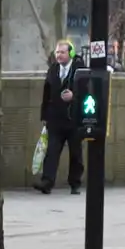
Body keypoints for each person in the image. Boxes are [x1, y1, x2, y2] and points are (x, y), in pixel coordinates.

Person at [35, 41, 87, 195]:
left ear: (70, 54)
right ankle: (47, 182)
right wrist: (44, 115)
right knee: (51, 151)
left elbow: (87, 90)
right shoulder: (53, 70)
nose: (59, 55)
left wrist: (74, 96)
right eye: (57, 52)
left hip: (74, 119)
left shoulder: (79, 70)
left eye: (62, 52)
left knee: (76, 153)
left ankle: (75, 183)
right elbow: (46, 93)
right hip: (55, 119)